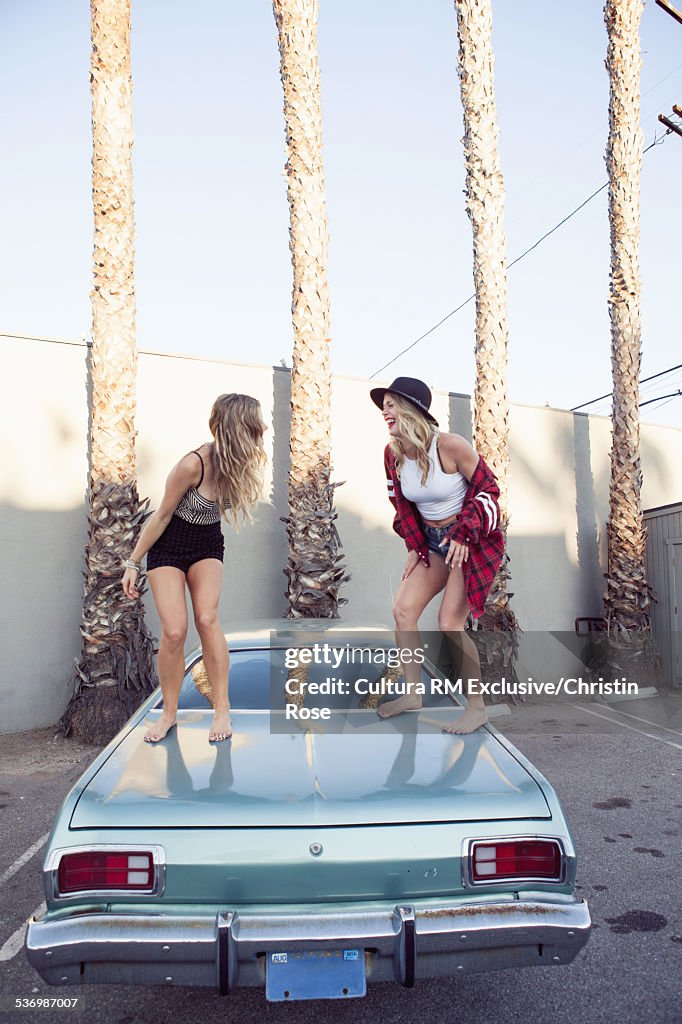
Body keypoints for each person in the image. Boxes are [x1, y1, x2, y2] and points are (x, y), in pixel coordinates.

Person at [122, 393, 267, 744]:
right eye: (257, 422)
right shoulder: (193, 464)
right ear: (237, 427)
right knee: (174, 632)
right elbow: (161, 516)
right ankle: (169, 714)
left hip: (206, 546)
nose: (263, 427)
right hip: (169, 546)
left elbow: (227, 510)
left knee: (207, 619)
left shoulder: (240, 463)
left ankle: (222, 708)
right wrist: (132, 562)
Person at [370, 376, 504, 734]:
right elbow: (400, 505)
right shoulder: (393, 455)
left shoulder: (450, 446)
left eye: (391, 403)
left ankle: (477, 708)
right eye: (383, 404)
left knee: (449, 623)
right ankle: (414, 694)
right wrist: (414, 545)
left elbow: (490, 493)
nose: (385, 409)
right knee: (403, 611)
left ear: (412, 409)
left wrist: (464, 533)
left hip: (466, 540)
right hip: (432, 543)